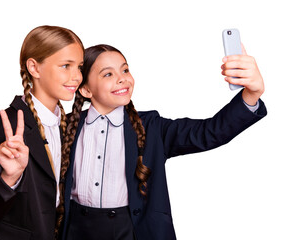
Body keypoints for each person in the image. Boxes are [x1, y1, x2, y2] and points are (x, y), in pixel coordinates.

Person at [56, 44, 267, 240]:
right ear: (85, 90)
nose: (122, 79)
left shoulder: (152, 127)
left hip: (132, 230)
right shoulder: (64, 127)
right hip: (76, 230)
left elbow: (209, 132)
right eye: (108, 74)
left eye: (125, 70)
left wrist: (251, 94)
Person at [0, 25, 84, 240]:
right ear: (34, 67)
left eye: (79, 67)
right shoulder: (7, 126)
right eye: (65, 66)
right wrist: (8, 177)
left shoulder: (70, 126)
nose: (76, 76)